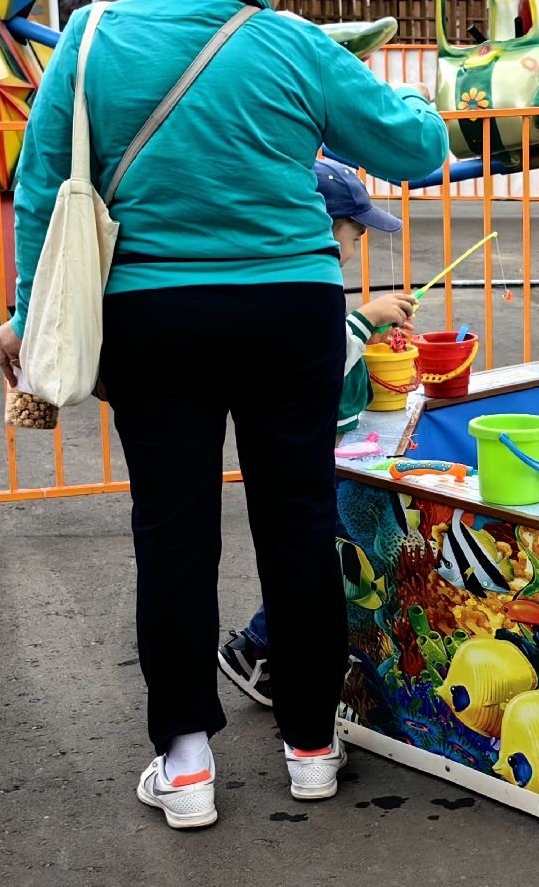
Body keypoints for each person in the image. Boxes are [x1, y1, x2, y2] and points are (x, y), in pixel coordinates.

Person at [0, 0, 449, 829]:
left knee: (172, 536)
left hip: (152, 320)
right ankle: (314, 749)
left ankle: (189, 762)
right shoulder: (291, 44)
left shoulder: (93, 34)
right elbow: (417, 146)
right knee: (297, 524)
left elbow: (41, 190)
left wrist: (26, 314)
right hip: (289, 313)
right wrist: (412, 94)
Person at [217, 157, 414, 710]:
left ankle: (277, 649)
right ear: (321, 226)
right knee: (316, 554)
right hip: (308, 448)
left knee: (323, 553)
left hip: (328, 442)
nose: (352, 249)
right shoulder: (304, 286)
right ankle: (257, 648)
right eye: (352, 234)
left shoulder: (301, 278)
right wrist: (364, 321)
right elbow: (316, 358)